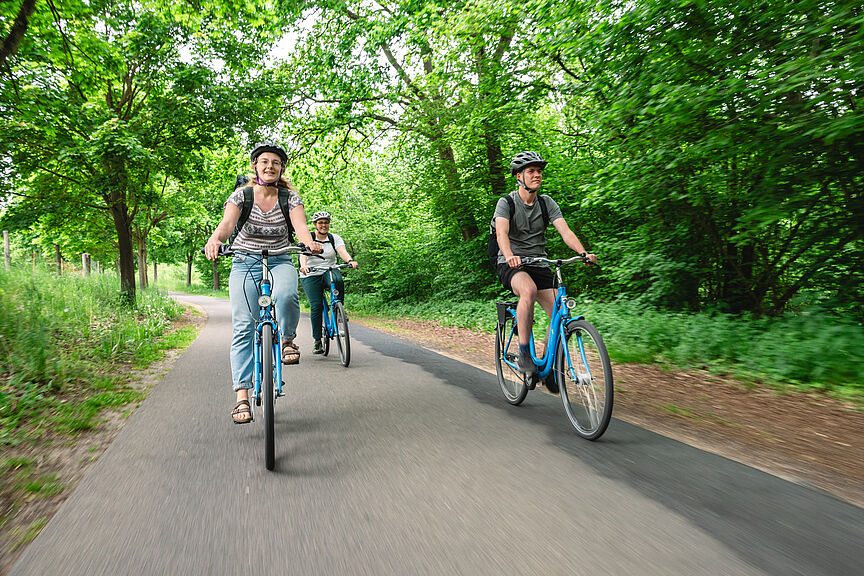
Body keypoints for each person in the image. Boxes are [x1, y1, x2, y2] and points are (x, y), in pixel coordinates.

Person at [204, 142, 322, 424]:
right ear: (255, 166)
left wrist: (309, 243)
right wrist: (215, 239)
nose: (270, 166)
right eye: (264, 162)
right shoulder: (241, 196)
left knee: (287, 295)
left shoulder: (290, 198)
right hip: (245, 261)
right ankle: (242, 396)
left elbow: (301, 228)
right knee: (244, 326)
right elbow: (227, 225)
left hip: (280, 258)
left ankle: (287, 340)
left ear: (282, 168)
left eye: (276, 163)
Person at [494, 151, 597, 377]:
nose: (537, 175)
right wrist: (510, 255)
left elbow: (565, 231)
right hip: (511, 263)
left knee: (559, 314)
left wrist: (582, 252)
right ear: (519, 176)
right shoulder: (506, 202)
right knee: (528, 290)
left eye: (539, 171)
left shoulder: (546, 203)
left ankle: (551, 368)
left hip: (539, 262)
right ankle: (523, 353)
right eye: (531, 171)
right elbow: (502, 234)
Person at [298, 211, 359, 354]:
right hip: (311, 273)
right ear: (315, 225)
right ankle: (317, 340)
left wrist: (349, 261)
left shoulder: (334, 238)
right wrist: (304, 265)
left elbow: (342, 251)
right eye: (320, 222)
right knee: (317, 305)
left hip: (329, 269)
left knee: (337, 279)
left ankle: (338, 310)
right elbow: (303, 254)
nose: (324, 225)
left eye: (326, 222)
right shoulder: (309, 238)